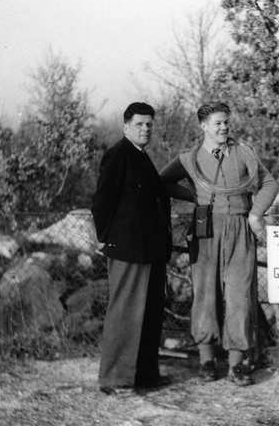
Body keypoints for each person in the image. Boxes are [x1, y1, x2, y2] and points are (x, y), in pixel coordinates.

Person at [160, 102, 278, 386]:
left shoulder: (244, 153)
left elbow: (270, 183)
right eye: (217, 123)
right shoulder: (189, 159)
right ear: (203, 126)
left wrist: (255, 213)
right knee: (205, 293)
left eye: (226, 122)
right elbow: (163, 182)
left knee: (240, 294)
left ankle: (237, 364)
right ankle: (207, 361)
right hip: (206, 228)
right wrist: (194, 197)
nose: (224, 127)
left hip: (240, 228)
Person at [91, 102, 172, 394]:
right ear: (126, 126)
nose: (145, 129)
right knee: (125, 313)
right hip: (127, 248)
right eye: (139, 124)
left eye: (149, 124)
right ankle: (115, 378)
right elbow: (102, 201)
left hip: (149, 250)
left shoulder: (141, 157)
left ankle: (144, 375)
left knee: (149, 313)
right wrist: (104, 238)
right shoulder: (118, 155)